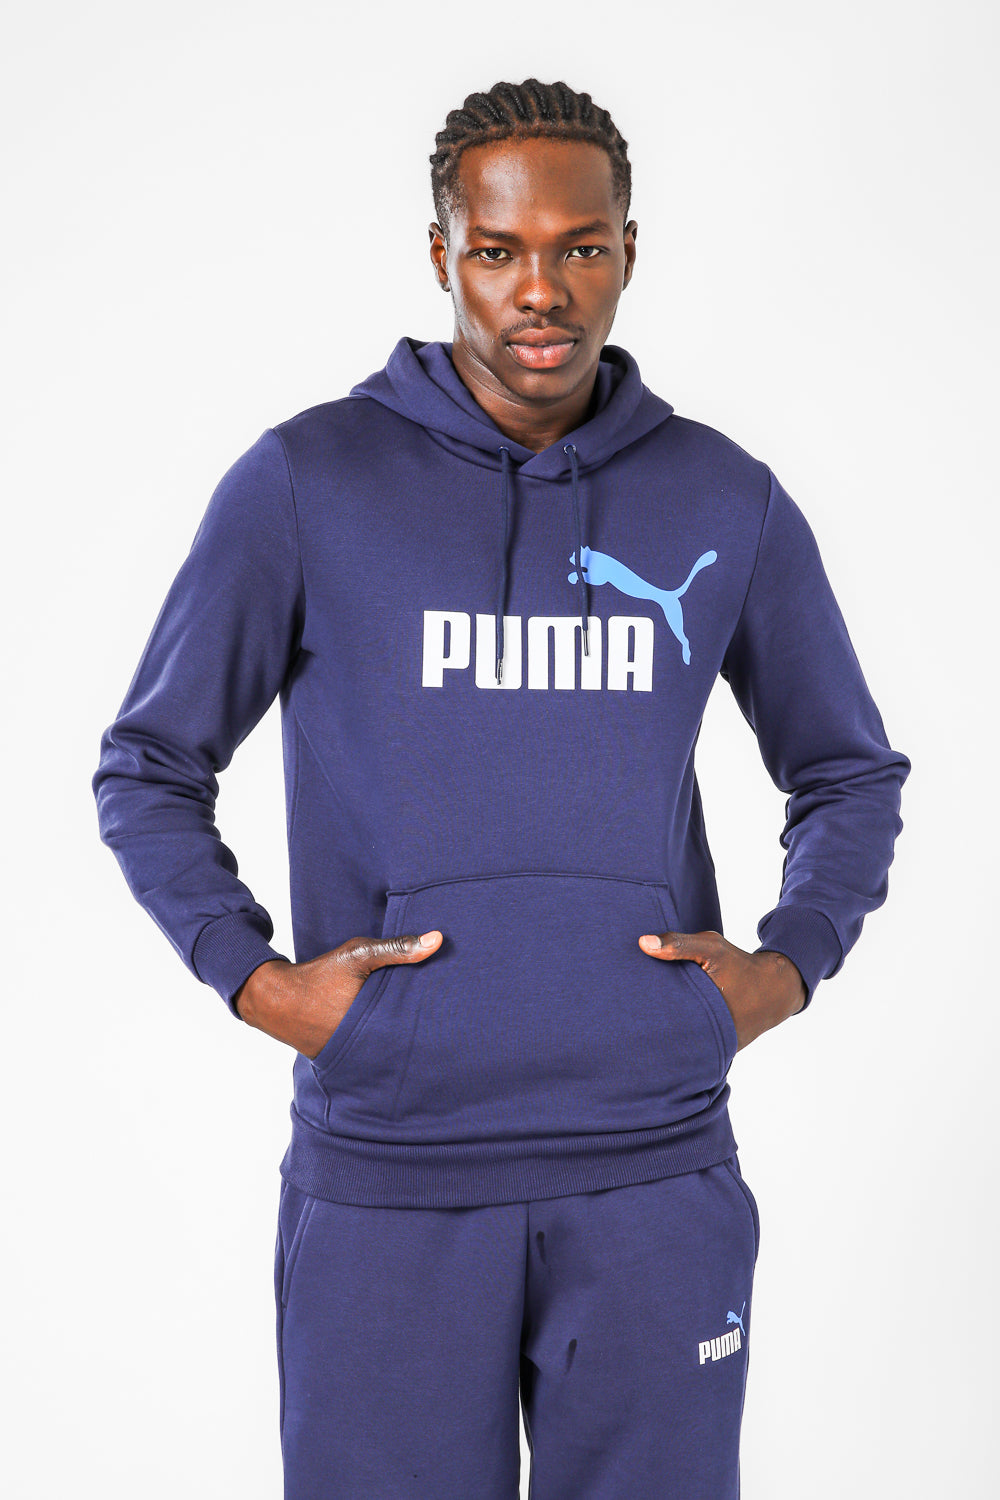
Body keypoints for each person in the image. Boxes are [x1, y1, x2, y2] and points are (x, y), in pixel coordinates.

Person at [91, 77, 910, 1500]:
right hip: (391, 1171)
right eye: (499, 250)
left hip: (654, 1165)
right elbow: (150, 765)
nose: (542, 290)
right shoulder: (307, 483)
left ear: (628, 250)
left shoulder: (725, 497)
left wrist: (785, 968)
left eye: (580, 247)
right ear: (441, 255)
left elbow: (847, 770)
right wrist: (260, 984)